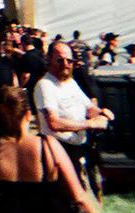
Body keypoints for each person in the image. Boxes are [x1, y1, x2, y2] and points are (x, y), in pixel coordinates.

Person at [33, 41, 113, 199]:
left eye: (69, 61)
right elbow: (53, 122)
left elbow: (88, 108)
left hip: (78, 149)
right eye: (60, 60)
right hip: (58, 150)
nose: (65, 64)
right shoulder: (45, 85)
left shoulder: (71, 83)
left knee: (79, 194)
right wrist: (90, 124)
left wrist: (101, 112)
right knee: (64, 197)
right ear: (49, 59)